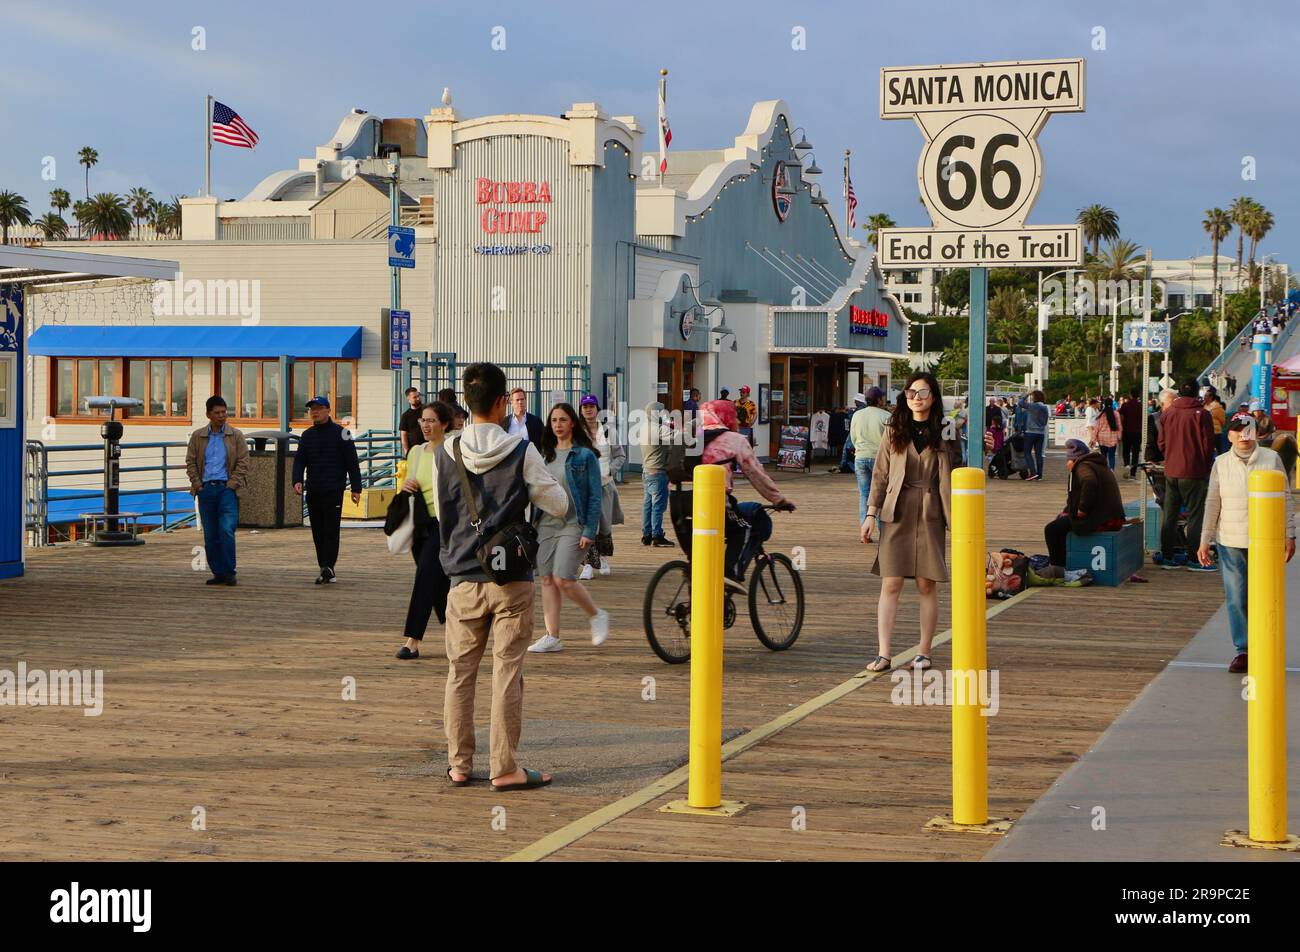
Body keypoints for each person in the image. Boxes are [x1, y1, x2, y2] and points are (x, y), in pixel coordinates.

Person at [436, 362, 568, 790]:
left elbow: (443, 511)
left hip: (462, 579)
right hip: (511, 579)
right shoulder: (520, 449)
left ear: (466, 403)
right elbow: (559, 505)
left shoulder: (446, 451)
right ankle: (504, 768)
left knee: (460, 673)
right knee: (507, 671)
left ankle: (459, 764)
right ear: (500, 401)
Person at [860, 371, 962, 673]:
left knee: (926, 584)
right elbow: (879, 474)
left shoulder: (946, 429)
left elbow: (958, 468)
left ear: (934, 396)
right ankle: (884, 653)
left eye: (922, 392)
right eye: (910, 393)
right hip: (897, 510)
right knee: (890, 583)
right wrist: (870, 514)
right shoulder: (894, 429)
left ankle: (924, 651)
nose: (916, 398)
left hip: (931, 510)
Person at [1197, 413, 1296, 672]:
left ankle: (1266, 645)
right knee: (1236, 596)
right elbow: (1213, 502)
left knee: (1266, 596)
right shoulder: (1221, 463)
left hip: (1267, 541)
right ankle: (1244, 649)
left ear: (1256, 433)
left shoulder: (1271, 459)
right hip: (1231, 539)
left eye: (1248, 430)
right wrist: (1205, 539)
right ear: (1229, 435)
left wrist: (1289, 533)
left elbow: (1285, 497)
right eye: (1238, 430)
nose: (1243, 435)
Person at [526, 403, 611, 654]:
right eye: (554, 421)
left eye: (563, 420)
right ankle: (553, 636)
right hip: (546, 523)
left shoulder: (585, 455)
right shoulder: (545, 455)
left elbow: (595, 496)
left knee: (564, 578)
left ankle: (596, 615)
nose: (558, 425)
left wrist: (589, 530)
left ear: (572, 422)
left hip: (575, 523)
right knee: (547, 579)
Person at [697, 399, 795, 591]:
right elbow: (755, 473)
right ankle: (731, 572)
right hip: (714, 504)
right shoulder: (733, 439)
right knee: (745, 526)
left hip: (681, 506)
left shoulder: (689, 435)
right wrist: (778, 500)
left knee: (698, 556)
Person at [394, 401, 454, 660]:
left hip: (445, 524)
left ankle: (412, 640)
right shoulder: (415, 452)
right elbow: (407, 483)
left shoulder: (453, 452)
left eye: (431, 420)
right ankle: (459, 628)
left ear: (444, 424)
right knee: (437, 583)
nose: (426, 425)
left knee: (424, 577)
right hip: (419, 524)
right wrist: (407, 485)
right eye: (423, 420)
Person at [292, 396, 362, 584]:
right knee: (317, 531)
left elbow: (352, 463)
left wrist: (356, 488)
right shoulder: (307, 436)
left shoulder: (343, 433)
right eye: (312, 409)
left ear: (328, 410)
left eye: (319, 408)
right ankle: (324, 566)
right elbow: (300, 460)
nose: (314, 412)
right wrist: (297, 480)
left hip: (334, 490)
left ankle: (328, 566)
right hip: (314, 489)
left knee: (331, 530)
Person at [1037, 439, 1125, 583]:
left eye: (1068, 460)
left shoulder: (1082, 466)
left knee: (1051, 529)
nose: (1067, 464)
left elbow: (1089, 482)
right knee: (1061, 524)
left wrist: (1082, 509)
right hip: (1112, 517)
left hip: (1102, 519)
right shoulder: (1096, 464)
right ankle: (1062, 564)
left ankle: (1057, 567)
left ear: (1074, 459)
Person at [186, 395, 249, 586]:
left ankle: (230, 571)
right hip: (206, 490)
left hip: (226, 489)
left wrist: (232, 484)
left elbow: (244, 462)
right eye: (217, 413)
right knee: (211, 534)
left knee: (227, 530)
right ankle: (218, 572)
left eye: (224, 412)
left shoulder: (235, 435)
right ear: (208, 414)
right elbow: (190, 462)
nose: (222, 416)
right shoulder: (198, 436)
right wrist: (198, 485)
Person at [1157, 378, 1215, 569]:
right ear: (1197, 392)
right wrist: (1206, 467)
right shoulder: (1202, 414)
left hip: (1171, 470)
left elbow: (1161, 443)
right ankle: (1193, 558)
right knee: (1195, 515)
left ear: (1180, 392)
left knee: (1170, 514)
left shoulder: (1168, 413)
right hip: (1194, 471)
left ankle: (1167, 556)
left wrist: (1170, 458)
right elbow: (1208, 446)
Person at [577, 394, 625, 579]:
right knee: (589, 525)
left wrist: (611, 471)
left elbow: (620, 455)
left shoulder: (608, 431)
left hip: (605, 484)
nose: (588, 409)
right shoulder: (578, 434)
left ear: (597, 408)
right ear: (581, 410)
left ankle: (604, 558)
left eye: (591, 406)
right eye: (585, 406)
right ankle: (588, 564)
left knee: (604, 525)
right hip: (585, 487)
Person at [639, 400, 676, 547]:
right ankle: (657, 535)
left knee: (647, 504)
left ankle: (646, 534)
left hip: (646, 471)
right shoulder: (658, 429)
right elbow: (678, 437)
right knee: (658, 506)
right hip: (658, 473)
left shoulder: (644, 427)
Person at [850, 387, 890, 523]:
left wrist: (859, 449)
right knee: (880, 494)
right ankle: (881, 528)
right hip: (880, 459)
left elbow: (853, 437)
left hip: (860, 456)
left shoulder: (857, 415)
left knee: (864, 494)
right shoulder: (886, 416)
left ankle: (864, 529)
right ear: (879, 400)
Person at [1022, 390, 1049, 480]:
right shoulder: (1045, 407)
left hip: (1030, 432)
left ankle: (1033, 472)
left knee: (1027, 452)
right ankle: (1039, 475)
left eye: (1033, 396)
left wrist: (1027, 394)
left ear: (1035, 397)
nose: (1032, 397)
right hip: (1041, 433)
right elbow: (1045, 422)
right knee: (1039, 454)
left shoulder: (1032, 406)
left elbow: (1020, 403)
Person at [1091, 397, 1122, 470]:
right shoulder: (1116, 414)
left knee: (1103, 456)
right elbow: (1119, 426)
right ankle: (1111, 471)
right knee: (1111, 456)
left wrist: (1093, 439)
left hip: (1102, 439)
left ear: (1104, 404)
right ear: (1112, 404)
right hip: (1112, 438)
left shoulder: (1100, 415)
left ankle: (1104, 471)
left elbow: (1096, 428)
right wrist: (1119, 437)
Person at [1118, 389, 1143, 479]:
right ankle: (1133, 472)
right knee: (1136, 452)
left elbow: (1120, 416)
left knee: (1126, 450)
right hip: (1138, 432)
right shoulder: (1141, 406)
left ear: (1130, 395)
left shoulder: (1125, 405)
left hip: (1127, 431)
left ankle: (1127, 465)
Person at [399, 387, 425, 455]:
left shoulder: (427, 410)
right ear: (408, 399)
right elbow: (403, 435)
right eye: (415, 397)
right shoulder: (405, 416)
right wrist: (407, 452)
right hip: (413, 451)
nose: (418, 398)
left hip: (428, 448)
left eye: (418, 396)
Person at [1203, 386, 1228, 456]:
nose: (1204, 397)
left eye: (1206, 396)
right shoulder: (1203, 406)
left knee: (1217, 450)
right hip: (1205, 432)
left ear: (1211, 397)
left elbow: (1222, 420)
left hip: (1215, 432)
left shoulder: (1217, 407)